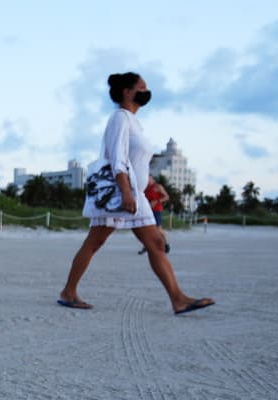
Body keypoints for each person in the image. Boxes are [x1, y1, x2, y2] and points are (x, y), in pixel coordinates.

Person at [58, 72, 214, 315]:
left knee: (156, 242)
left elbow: (136, 161)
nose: (146, 91)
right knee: (95, 241)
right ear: (128, 92)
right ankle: (69, 292)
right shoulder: (120, 118)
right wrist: (125, 192)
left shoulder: (133, 122)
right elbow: (117, 158)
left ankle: (178, 299)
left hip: (136, 194)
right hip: (121, 194)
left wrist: (147, 182)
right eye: (142, 87)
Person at [138, 175, 170, 254]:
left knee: (158, 229)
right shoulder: (144, 187)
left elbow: (166, 197)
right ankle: (146, 246)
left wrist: (156, 201)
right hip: (147, 210)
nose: (147, 180)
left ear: (152, 179)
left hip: (156, 210)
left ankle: (166, 244)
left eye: (148, 178)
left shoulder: (158, 187)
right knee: (145, 229)